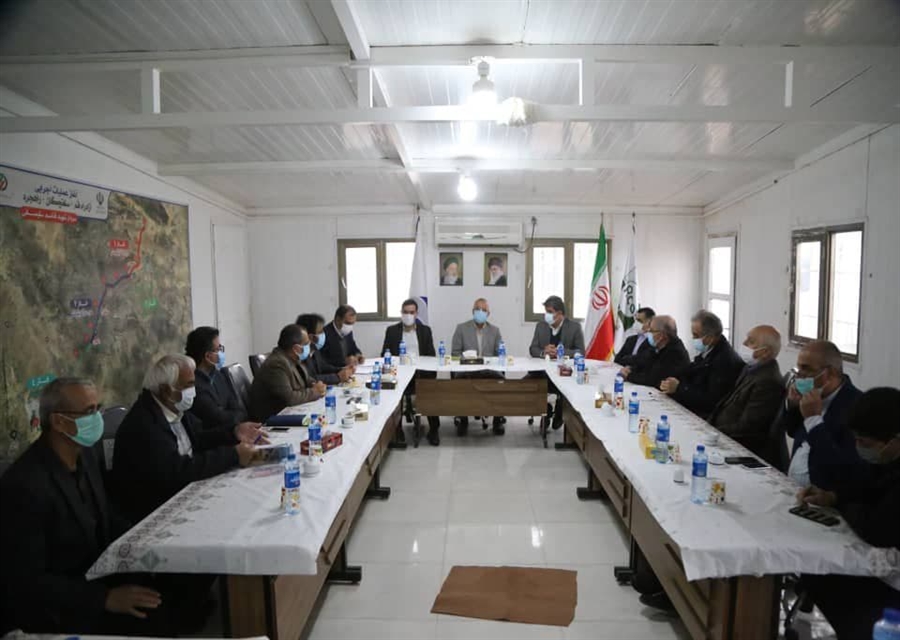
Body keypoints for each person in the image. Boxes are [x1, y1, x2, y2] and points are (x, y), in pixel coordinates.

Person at [0, 378, 168, 635]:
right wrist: (105, 598)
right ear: (58, 421)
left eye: (98, 408)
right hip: (61, 607)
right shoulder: (24, 485)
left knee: (164, 588)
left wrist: (142, 538)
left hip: (96, 573)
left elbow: (103, 514)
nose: (97, 418)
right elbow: (27, 581)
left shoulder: (85, 454)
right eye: (89, 411)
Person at [798, 388, 900, 639]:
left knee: (828, 577)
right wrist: (832, 497)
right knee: (815, 571)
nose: (858, 448)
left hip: (892, 578)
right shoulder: (887, 458)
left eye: (865, 443)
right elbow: (866, 485)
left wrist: (842, 506)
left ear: (895, 440)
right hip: (880, 556)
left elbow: (875, 529)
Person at [112, 355, 259, 524]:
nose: (193, 390)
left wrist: (234, 432)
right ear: (166, 390)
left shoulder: (172, 407)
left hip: (181, 489)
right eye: (188, 385)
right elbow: (179, 471)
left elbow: (198, 440)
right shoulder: (144, 424)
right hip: (154, 510)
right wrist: (233, 455)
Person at [780, 340, 862, 490]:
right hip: (793, 487)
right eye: (799, 368)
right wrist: (793, 406)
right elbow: (793, 431)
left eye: (806, 369)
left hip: (823, 493)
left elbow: (841, 466)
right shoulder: (812, 395)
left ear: (830, 373)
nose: (799, 376)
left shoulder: (856, 406)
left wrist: (813, 419)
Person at [707, 325, 785, 464]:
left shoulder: (768, 381)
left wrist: (713, 432)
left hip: (744, 448)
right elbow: (728, 402)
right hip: (724, 433)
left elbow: (748, 427)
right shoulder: (752, 369)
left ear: (765, 352)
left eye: (751, 341)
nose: (744, 343)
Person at [659, 310, 744, 419]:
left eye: (696, 335)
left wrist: (679, 388)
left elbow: (711, 401)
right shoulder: (710, 350)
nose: (693, 339)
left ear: (710, 337)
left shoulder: (725, 360)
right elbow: (690, 372)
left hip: (708, 417)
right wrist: (670, 382)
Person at [381, 299, 441, 445]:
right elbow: (384, 354)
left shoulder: (425, 331)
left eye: (411, 312)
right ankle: (397, 430)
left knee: (431, 389)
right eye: (405, 312)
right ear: (401, 313)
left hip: (420, 374)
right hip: (400, 374)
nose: (408, 315)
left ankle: (434, 430)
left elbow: (431, 356)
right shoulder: (392, 331)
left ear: (416, 314)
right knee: (392, 392)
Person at [527, 295, 586, 430]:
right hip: (543, 372)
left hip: (564, 373)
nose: (546, 315)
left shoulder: (574, 327)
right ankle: (546, 410)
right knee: (527, 384)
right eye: (546, 311)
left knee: (566, 388)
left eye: (549, 312)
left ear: (559, 314)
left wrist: (561, 352)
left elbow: (581, 352)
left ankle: (560, 412)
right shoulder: (541, 326)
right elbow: (533, 349)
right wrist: (544, 352)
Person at [249, 324, 327, 421]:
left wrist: (315, 384)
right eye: (307, 343)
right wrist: (314, 392)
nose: (310, 345)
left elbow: (306, 379)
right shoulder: (277, 364)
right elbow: (289, 398)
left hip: (292, 412)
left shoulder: (292, 358)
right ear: (296, 349)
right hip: (274, 419)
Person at [451, 298, 505, 435]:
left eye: (484, 310)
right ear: (472, 311)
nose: (480, 312)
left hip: (488, 370)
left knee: (501, 381)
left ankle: (497, 420)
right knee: (459, 382)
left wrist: (492, 361)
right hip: (467, 370)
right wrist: (467, 358)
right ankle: (463, 420)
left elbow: (501, 354)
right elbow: (455, 354)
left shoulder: (495, 331)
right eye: (477, 309)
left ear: (488, 313)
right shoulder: (461, 328)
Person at [185, 326, 250, 429]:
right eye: (218, 349)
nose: (221, 352)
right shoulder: (193, 384)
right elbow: (217, 419)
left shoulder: (218, 375)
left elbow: (238, 408)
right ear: (207, 356)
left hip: (233, 430)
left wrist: (228, 414)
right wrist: (230, 415)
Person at [620, 315, 689, 389]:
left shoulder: (675, 352)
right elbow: (644, 363)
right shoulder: (657, 347)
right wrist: (631, 369)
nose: (648, 332)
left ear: (661, 335)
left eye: (651, 331)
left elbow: (653, 379)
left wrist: (629, 376)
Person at [296, 313, 354, 386]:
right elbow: (309, 379)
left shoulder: (315, 350)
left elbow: (323, 367)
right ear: (311, 337)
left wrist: (342, 369)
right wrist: (338, 377)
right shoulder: (301, 354)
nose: (324, 334)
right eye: (320, 332)